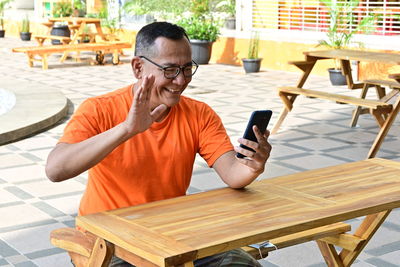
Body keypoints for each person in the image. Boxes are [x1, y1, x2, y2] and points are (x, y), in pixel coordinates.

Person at [46, 21, 271, 267]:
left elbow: (232, 174)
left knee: (244, 264)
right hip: (108, 243)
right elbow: (56, 170)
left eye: (187, 68)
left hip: (172, 237)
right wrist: (126, 129)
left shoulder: (199, 114)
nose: (181, 80)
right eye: (170, 69)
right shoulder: (99, 109)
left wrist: (252, 165)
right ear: (138, 67)